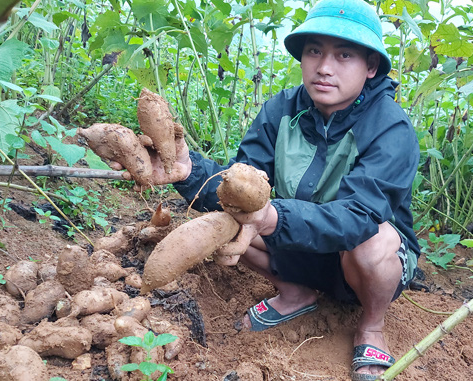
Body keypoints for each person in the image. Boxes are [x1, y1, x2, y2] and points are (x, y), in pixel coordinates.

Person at [121, 0, 420, 379]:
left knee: (372, 242)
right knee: (227, 221)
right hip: (303, 246)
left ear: (371, 66)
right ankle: (296, 294)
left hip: (364, 264)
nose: (324, 67)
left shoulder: (391, 128)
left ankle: (372, 325)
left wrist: (272, 216)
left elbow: (359, 217)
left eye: (344, 55)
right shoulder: (282, 109)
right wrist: (187, 169)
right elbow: (241, 187)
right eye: (315, 51)